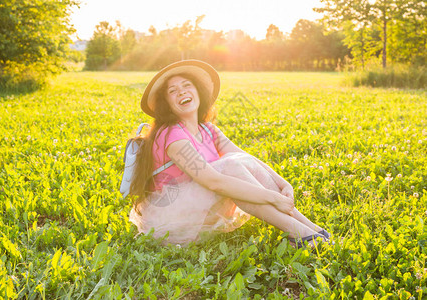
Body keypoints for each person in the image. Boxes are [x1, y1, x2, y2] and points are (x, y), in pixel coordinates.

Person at [128, 60, 331, 247]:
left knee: (237, 161)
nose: (181, 92)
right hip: (169, 220)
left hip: (196, 208)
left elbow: (247, 158)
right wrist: (272, 197)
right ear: (167, 104)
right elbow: (214, 182)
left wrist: (282, 183)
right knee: (231, 167)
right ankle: (300, 232)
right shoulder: (172, 135)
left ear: (198, 92)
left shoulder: (207, 129)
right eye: (173, 91)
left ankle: (309, 228)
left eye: (187, 85)